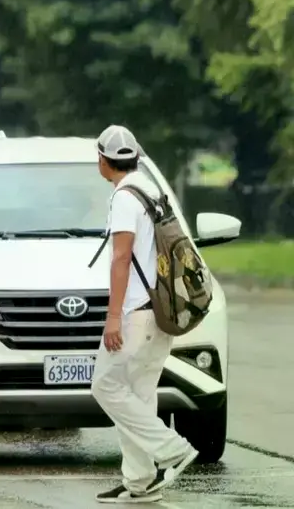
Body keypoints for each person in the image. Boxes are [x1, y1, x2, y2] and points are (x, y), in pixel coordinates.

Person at [91, 125, 198, 504]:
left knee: (104, 385)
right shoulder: (152, 187)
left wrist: (113, 317)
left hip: (136, 313)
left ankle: (171, 449)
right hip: (161, 310)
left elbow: (121, 258)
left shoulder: (124, 198)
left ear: (104, 160)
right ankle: (140, 481)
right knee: (137, 393)